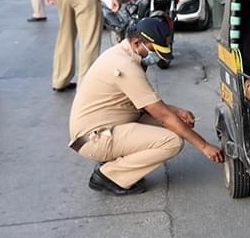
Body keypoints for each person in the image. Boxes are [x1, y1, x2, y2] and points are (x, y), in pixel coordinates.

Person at [68, 15, 224, 195]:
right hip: (94, 138)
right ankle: (110, 176)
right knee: (172, 141)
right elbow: (163, 115)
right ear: (136, 43)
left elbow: (147, 104)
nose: (156, 57)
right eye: (154, 51)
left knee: (175, 123)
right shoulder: (125, 66)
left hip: (105, 127)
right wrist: (204, 146)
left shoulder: (125, 54)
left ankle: (116, 162)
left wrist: (177, 112)